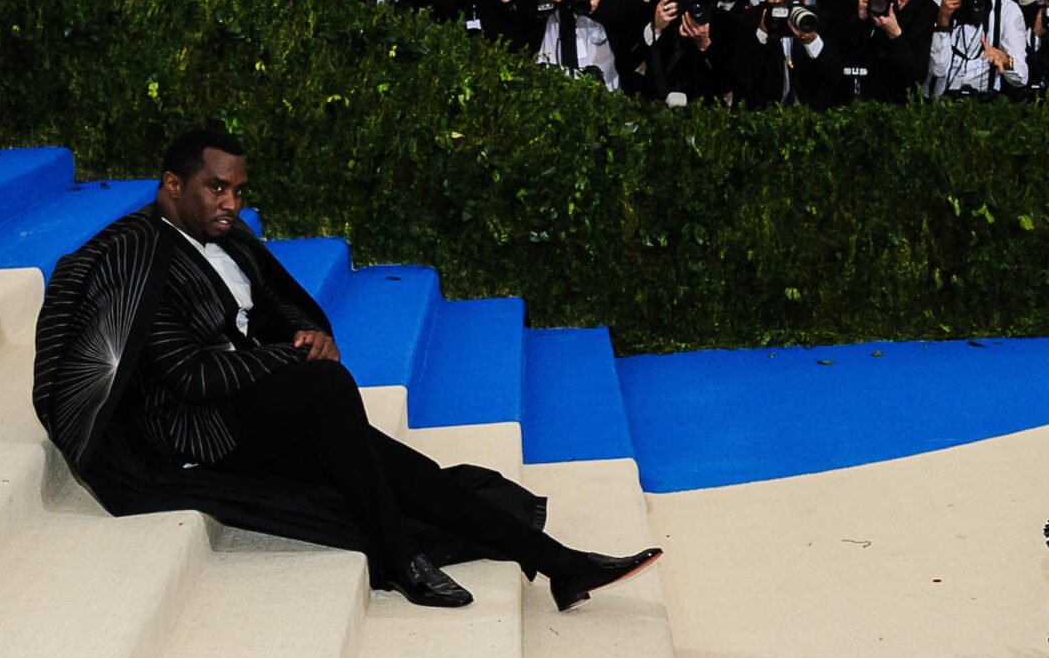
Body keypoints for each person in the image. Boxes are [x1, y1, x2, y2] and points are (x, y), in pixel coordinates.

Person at [33, 129, 660, 610]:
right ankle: (400, 559)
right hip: (201, 428)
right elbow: (190, 376)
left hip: (252, 402)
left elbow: (270, 305)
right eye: (216, 188)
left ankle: (559, 564)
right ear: (172, 184)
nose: (231, 203)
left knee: (398, 468)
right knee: (328, 388)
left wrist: (297, 335)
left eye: (239, 190)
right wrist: (294, 354)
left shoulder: (224, 236)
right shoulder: (133, 257)